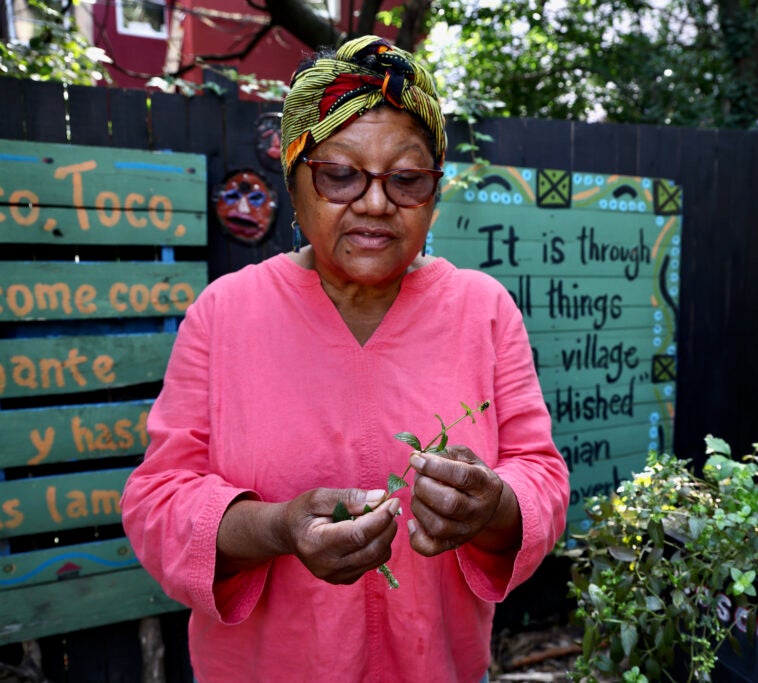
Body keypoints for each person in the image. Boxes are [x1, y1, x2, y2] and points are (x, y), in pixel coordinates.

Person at [121, 35, 570, 683]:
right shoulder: (226, 313)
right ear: (295, 179)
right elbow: (157, 500)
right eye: (340, 173)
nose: (376, 202)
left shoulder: (482, 309)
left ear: (434, 191)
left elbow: (542, 477)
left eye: (407, 178)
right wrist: (276, 527)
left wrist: (495, 504)